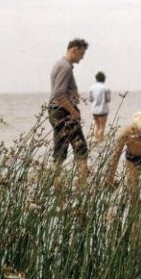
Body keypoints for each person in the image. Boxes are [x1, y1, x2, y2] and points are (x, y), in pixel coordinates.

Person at [47, 38, 89, 184]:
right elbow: (59, 95)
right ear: (74, 50)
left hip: (57, 111)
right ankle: (82, 184)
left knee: (60, 148)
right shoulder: (64, 67)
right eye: (82, 53)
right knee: (81, 147)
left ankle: (56, 183)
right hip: (62, 111)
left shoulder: (62, 65)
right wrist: (74, 112)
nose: (83, 57)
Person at [88, 71, 112, 143]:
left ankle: (96, 141)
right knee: (102, 127)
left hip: (94, 110)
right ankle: (100, 141)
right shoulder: (106, 88)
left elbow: (91, 99)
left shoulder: (91, 88)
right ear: (104, 79)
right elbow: (108, 100)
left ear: (96, 79)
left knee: (97, 127)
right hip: (103, 110)